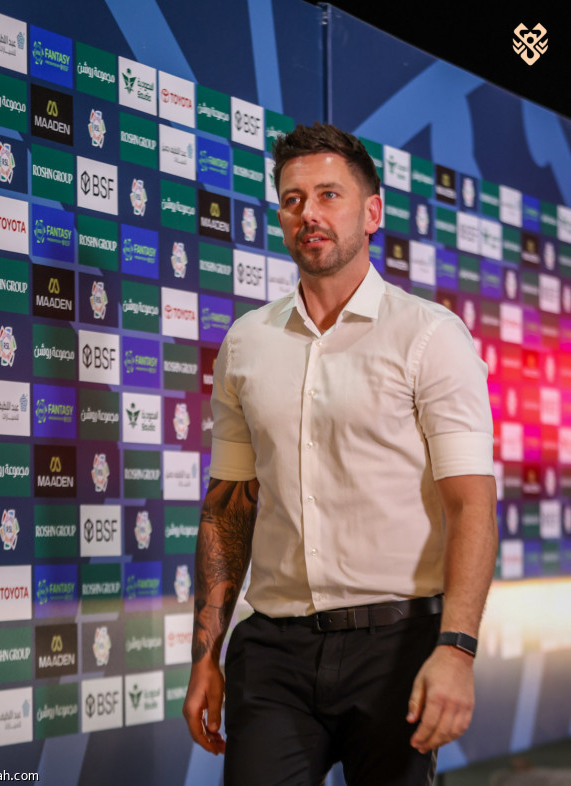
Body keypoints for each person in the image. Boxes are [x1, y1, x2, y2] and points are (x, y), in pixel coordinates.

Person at [183, 122, 497, 786]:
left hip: (396, 647)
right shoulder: (245, 343)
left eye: (329, 195)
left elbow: (471, 507)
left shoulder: (429, 336)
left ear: (372, 212)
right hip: (272, 650)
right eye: (292, 199)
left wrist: (457, 649)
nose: (309, 214)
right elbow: (228, 507)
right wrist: (203, 655)